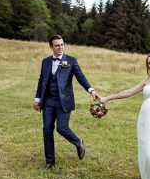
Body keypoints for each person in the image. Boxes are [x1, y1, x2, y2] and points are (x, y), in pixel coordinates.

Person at [33, 34, 100, 170]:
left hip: (64, 100)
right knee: (47, 129)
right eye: (57, 45)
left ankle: (78, 141)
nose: (60, 47)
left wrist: (91, 90)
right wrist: (37, 98)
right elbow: (42, 80)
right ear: (51, 47)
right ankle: (50, 161)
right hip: (48, 101)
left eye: (62, 44)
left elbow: (81, 77)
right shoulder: (45, 62)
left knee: (61, 128)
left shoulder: (71, 61)